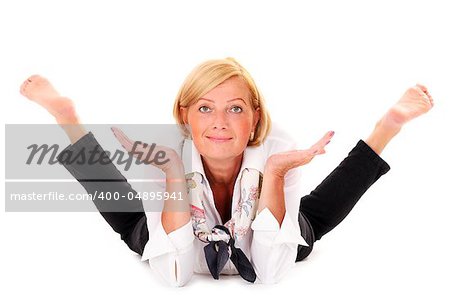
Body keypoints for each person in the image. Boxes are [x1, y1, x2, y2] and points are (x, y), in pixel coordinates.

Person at [19, 57, 434, 287]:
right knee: (130, 220)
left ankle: (388, 126)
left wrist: (273, 175)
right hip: (177, 231)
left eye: (235, 108)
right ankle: (67, 118)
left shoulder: (277, 149)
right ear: (185, 116)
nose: (220, 122)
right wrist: (174, 177)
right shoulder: (169, 155)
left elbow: (271, 271)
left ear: (254, 118)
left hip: (266, 238)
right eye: (205, 107)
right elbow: (175, 275)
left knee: (313, 219)